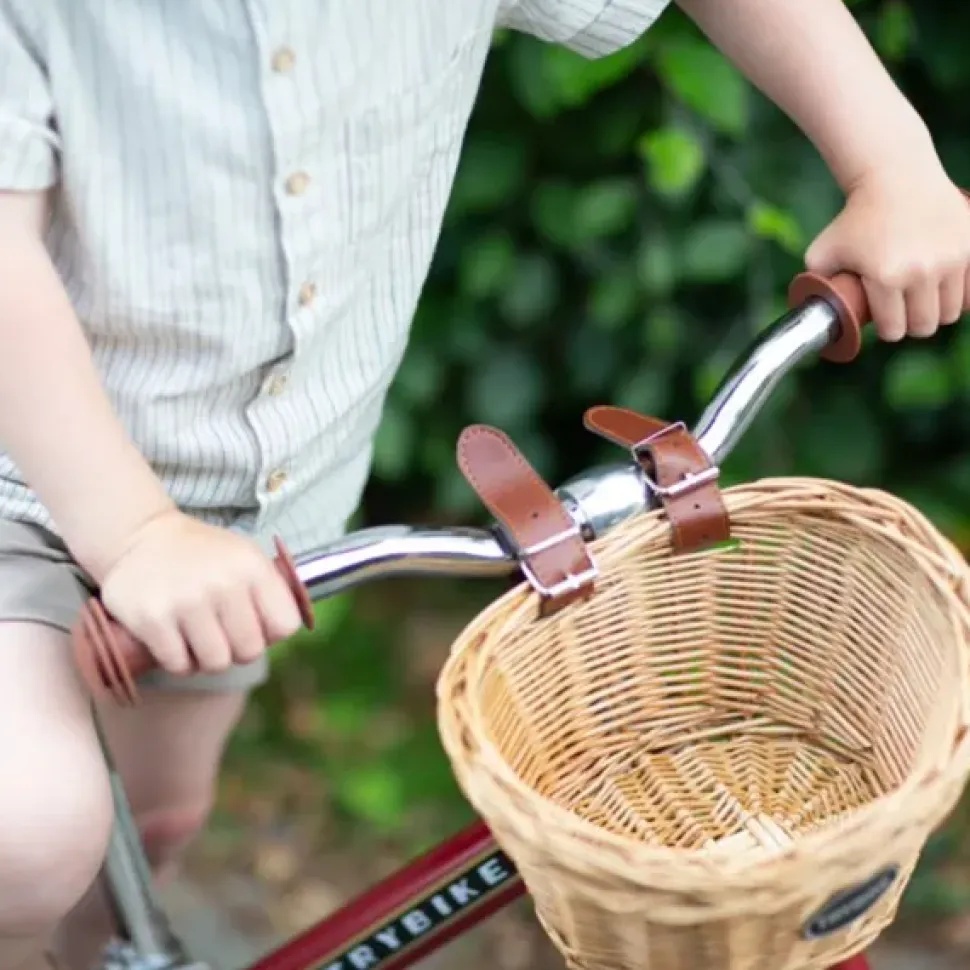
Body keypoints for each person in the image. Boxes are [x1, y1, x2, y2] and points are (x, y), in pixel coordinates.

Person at [0, 1, 967, 969]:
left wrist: (888, 160)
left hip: (246, 514)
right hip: (30, 470)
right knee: (33, 831)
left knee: (150, 828)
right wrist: (131, 534)